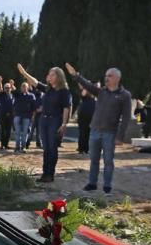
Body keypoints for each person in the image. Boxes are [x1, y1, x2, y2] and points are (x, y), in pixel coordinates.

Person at [65, 63, 132, 193]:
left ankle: (107, 186)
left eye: (110, 76)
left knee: (108, 161)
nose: (106, 78)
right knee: (93, 159)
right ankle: (92, 183)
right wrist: (75, 75)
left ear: (117, 78)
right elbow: (87, 85)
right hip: (95, 131)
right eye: (106, 75)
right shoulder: (101, 92)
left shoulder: (125, 95)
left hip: (110, 133)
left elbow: (126, 118)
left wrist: (120, 136)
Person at [18, 64, 72, 182]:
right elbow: (35, 82)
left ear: (59, 77)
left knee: (52, 148)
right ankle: (45, 173)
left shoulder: (64, 91)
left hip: (55, 120)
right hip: (44, 120)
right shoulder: (48, 89)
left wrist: (64, 124)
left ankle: (50, 174)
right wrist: (24, 73)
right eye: (49, 74)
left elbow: (66, 108)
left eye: (52, 74)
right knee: (46, 148)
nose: (50, 76)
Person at [12, 81, 38, 154]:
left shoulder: (31, 96)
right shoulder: (18, 94)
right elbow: (13, 91)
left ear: (28, 88)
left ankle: (23, 147)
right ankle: (17, 147)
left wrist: (33, 117)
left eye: (25, 86)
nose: (24, 88)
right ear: (20, 88)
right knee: (17, 132)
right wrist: (12, 85)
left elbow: (34, 107)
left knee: (25, 133)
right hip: (18, 116)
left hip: (27, 117)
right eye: (22, 86)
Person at [76, 86, 96, 154]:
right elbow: (83, 92)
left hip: (92, 118)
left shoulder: (96, 99)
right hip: (83, 118)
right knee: (82, 133)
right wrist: (87, 86)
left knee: (89, 134)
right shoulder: (84, 98)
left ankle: (87, 149)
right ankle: (81, 148)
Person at [0, 82, 15, 150]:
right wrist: (0, 82)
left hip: (10, 115)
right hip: (3, 115)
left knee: (8, 131)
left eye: (8, 88)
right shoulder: (2, 95)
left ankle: (6, 144)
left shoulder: (13, 95)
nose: (7, 89)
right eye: (6, 88)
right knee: (3, 130)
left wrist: (12, 85)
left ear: (10, 88)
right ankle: (2, 145)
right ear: (4, 88)